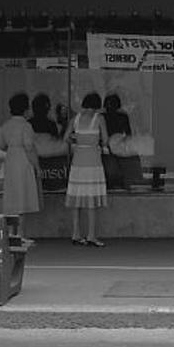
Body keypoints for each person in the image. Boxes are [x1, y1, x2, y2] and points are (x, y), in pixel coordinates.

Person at [64, 92, 108, 247]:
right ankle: (91, 235)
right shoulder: (99, 119)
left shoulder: (75, 119)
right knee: (91, 200)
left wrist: (76, 141)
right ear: (97, 105)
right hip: (93, 161)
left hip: (78, 161)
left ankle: (75, 234)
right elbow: (106, 140)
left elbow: (66, 138)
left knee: (76, 199)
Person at [0, 92, 43, 238]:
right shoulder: (26, 126)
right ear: (24, 109)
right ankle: (21, 234)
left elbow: (1, 145)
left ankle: (11, 233)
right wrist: (37, 166)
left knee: (13, 198)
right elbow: (29, 146)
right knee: (23, 198)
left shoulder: (6, 125)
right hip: (23, 161)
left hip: (11, 160)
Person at [102, 93, 142, 192]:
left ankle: (116, 185)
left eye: (112, 104)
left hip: (115, 146)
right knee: (112, 170)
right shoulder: (103, 117)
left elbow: (128, 134)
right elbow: (128, 134)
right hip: (110, 147)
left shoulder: (120, 117)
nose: (109, 107)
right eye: (108, 104)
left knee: (115, 170)